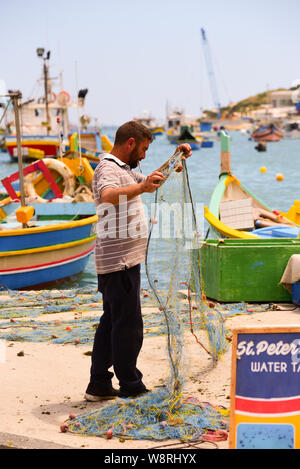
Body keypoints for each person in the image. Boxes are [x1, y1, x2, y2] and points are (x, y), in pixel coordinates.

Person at [85, 121, 192, 401]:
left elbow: (148, 183)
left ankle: (98, 383)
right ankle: (130, 385)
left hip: (121, 262)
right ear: (130, 143)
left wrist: (176, 157)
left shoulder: (127, 170)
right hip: (118, 262)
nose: (144, 156)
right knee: (129, 326)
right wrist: (143, 186)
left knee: (112, 322)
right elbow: (108, 195)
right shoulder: (108, 168)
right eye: (143, 149)